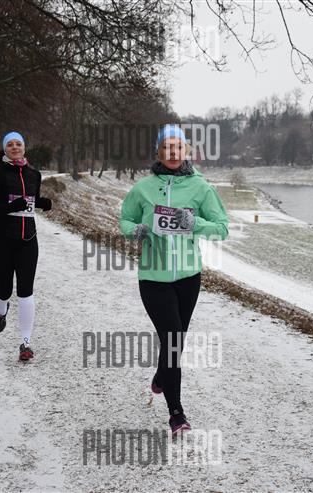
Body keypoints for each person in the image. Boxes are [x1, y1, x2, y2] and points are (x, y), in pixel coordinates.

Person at [119, 124, 229, 436]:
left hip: (188, 278)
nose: (172, 152)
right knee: (172, 339)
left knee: (175, 342)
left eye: (178, 146)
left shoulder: (200, 187)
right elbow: (125, 219)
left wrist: (195, 223)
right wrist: (135, 231)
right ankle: (176, 414)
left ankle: (160, 376)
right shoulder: (143, 188)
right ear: (158, 151)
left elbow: (222, 227)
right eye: (166, 147)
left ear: (186, 151)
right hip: (153, 277)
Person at [0, 132, 52, 361]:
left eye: (18, 143)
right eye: (10, 144)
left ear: (24, 147)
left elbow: (30, 201)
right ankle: (2, 312)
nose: (14, 147)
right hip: (2, 241)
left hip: (28, 240)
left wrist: (41, 203)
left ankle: (25, 343)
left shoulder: (34, 174)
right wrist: (9, 207)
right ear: (5, 149)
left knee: (26, 291)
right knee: (4, 290)